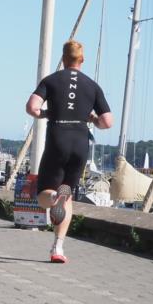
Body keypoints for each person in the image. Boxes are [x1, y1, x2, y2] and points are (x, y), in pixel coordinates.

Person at [25, 40, 113, 264]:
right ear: (82, 59)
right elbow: (107, 122)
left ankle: (54, 196)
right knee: (68, 197)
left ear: (63, 58)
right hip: (80, 141)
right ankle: (58, 248)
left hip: (58, 138)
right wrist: (91, 118)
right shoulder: (92, 86)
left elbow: (31, 107)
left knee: (44, 195)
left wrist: (45, 114)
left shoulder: (51, 81)